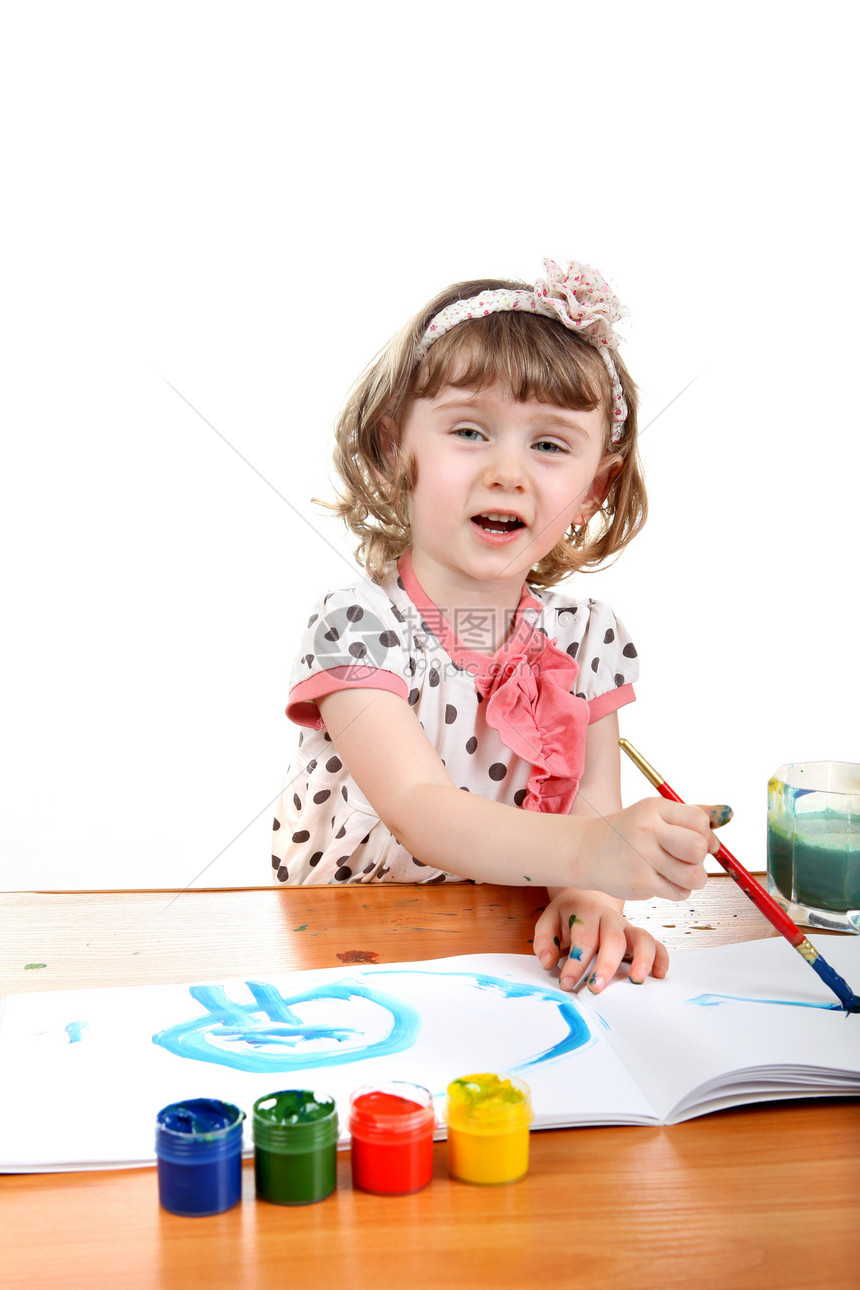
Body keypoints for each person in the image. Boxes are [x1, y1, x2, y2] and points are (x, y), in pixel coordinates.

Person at [272, 258, 724, 994]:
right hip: (346, 940)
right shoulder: (357, 625)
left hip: (502, 947)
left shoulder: (587, 637)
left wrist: (590, 899)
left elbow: (590, 804)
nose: (509, 471)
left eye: (549, 445)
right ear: (396, 449)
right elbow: (422, 811)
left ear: (593, 488)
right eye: (471, 431)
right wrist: (591, 852)